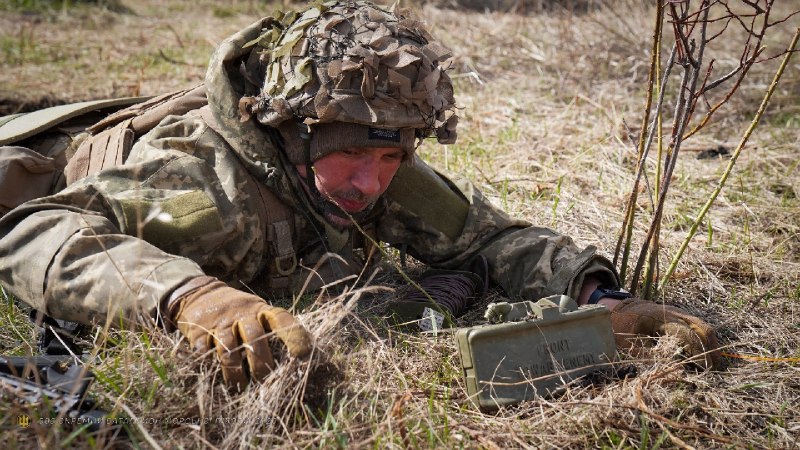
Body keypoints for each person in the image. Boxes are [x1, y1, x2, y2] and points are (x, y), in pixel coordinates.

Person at [0, 1, 719, 390]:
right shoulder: (198, 186)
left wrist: (598, 298)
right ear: (290, 130)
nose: (371, 183)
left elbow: (492, 239)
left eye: (391, 155)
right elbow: (30, 230)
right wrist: (192, 298)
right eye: (350, 152)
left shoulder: (371, 162)